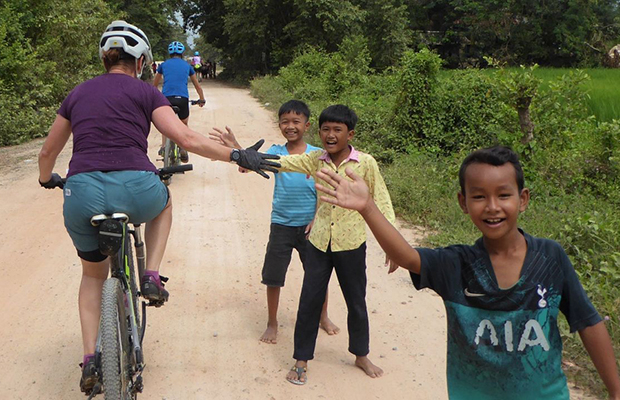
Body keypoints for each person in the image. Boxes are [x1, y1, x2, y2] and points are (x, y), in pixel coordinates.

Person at [37, 20, 279, 395]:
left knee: (92, 276)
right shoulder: (146, 92)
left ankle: (90, 360)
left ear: (104, 58)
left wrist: (45, 178)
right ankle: (150, 274)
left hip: (81, 193)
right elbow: (184, 137)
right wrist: (236, 155)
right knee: (164, 202)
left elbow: (48, 151)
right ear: (142, 61)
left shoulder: (78, 93)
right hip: (137, 187)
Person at [313, 146, 620, 399]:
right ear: (463, 202)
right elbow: (405, 256)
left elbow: (588, 322)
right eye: (478, 196)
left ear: (522, 199)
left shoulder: (549, 258)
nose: (492, 207)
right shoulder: (457, 264)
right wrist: (367, 207)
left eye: (503, 195)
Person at [212, 104, 396, 384]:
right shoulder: (315, 160)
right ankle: (301, 359)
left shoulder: (366, 163)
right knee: (309, 301)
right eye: (326, 129)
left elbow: (381, 200)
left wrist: (392, 245)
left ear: (351, 134)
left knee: (356, 301)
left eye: (337, 129)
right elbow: (283, 162)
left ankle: (361, 355)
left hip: (351, 244)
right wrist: (241, 154)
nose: (330, 135)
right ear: (319, 131)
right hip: (320, 243)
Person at [210, 100, 340, 345]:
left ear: (307, 125)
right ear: (279, 124)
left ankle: (323, 316)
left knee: (317, 275)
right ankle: (272, 322)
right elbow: (248, 165)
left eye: (296, 122)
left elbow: (324, 191)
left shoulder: (316, 155)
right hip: (281, 224)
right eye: (285, 122)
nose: (290, 126)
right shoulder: (276, 152)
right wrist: (236, 148)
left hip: (310, 228)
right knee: (273, 276)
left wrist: (316, 219)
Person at [153, 41, 205, 162]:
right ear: (182, 53)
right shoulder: (187, 66)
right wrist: (201, 99)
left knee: (165, 124)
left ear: (170, 53)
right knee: (183, 124)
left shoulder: (164, 65)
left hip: (166, 99)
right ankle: (183, 149)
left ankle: (164, 146)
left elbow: (154, 84)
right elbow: (197, 86)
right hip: (182, 99)